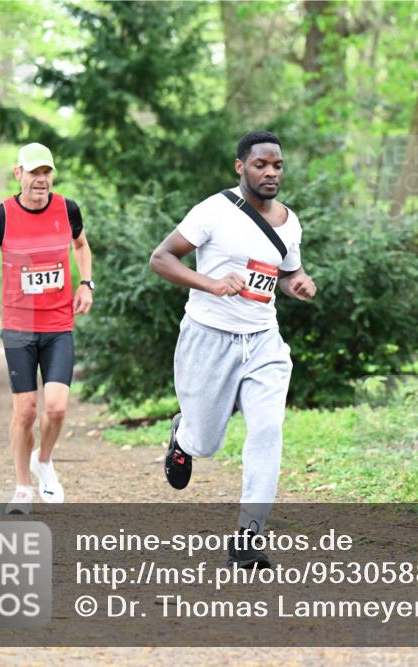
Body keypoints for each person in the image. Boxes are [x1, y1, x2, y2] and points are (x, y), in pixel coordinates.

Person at [149, 130, 316, 569]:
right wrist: (211, 283)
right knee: (206, 443)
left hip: (263, 341)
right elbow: (161, 258)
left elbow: (286, 272)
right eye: (261, 164)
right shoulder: (214, 211)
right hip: (209, 337)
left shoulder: (289, 221)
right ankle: (184, 436)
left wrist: (298, 283)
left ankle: (248, 536)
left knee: (267, 431)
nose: (270, 172)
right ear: (241, 166)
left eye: (277, 165)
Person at [0, 143, 94, 514]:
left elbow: (81, 246)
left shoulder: (67, 209)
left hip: (58, 324)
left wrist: (86, 283)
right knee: (25, 411)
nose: (41, 179)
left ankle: (44, 461)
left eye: (46, 172)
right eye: (34, 172)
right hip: (19, 327)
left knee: (57, 408)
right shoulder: (0, 215)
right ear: (18, 174)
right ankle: (22, 488)